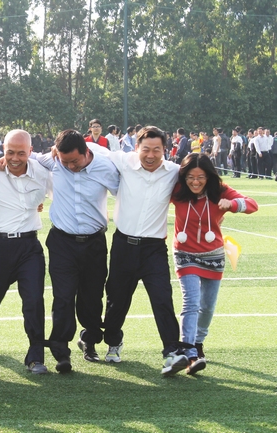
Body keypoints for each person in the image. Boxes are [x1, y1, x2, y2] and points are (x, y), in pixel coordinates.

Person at [101, 126, 189, 376]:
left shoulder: (174, 172)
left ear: (165, 150)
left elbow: (201, 176)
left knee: (162, 299)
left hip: (154, 249)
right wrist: (53, 151)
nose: (151, 155)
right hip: (123, 246)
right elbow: (92, 150)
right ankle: (114, 341)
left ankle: (172, 352)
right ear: (137, 148)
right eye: (146, 149)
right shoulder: (124, 161)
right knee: (117, 299)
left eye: (156, 150)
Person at [35, 130, 119, 373]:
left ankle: (89, 338)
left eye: (75, 161)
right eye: (65, 162)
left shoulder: (105, 166)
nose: (70, 166)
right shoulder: (54, 160)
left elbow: (125, 191)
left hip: (94, 243)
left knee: (91, 297)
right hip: (62, 242)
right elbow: (30, 156)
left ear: (86, 152)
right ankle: (61, 351)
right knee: (63, 297)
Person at [171, 153, 257, 374]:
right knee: (191, 302)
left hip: (213, 255)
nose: (195, 182)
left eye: (200, 177)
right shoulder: (177, 190)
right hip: (185, 254)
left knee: (207, 307)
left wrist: (233, 204)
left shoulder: (219, 190)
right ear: (184, 177)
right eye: (190, 177)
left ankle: (198, 343)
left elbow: (252, 204)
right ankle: (189, 350)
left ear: (208, 177)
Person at [0, 129, 50, 374]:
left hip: (29, 247)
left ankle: (36, 357)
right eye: (10, 152)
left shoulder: (43, 173)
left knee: (33, 301)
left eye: (21, 153)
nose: (15, 158)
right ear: (3, 151)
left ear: (31, 151)